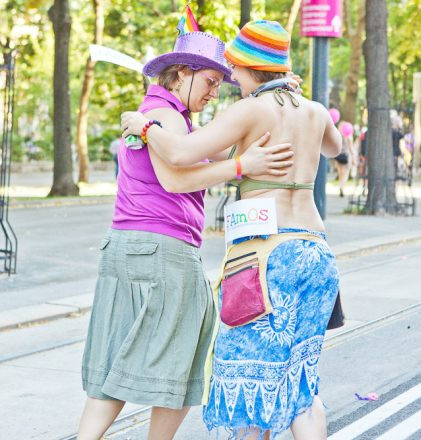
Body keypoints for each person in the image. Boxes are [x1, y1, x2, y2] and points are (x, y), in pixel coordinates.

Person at [121, 20, 341, 440]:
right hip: (316, 254)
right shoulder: (312, 110)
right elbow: (335, 147)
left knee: (248, 389)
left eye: (233, 70)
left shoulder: (250, 110)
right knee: (301, 384)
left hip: (266, 260)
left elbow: (184, 152)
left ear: (248, 66)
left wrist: (146, 126)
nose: (229, 79)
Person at [78, 30, 294, 440]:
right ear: (180, 74)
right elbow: (176, 177)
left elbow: (215, 150)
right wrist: (243, 166)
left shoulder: (156, 113)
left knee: (113, 362)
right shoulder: (170, 117)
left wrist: (276, 87)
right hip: (165, 250)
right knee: (182, 359)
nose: (215, 91)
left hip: (124, 244)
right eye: (211, 80)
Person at [334, 126, 355, 197]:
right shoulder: (349, 137)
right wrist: (354, 158)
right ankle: (342, 187)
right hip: (346, 157)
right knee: (345, 174)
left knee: (340, 174)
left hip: (338, 157)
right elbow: (351, 149)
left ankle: (340, 186)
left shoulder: (338, 136)